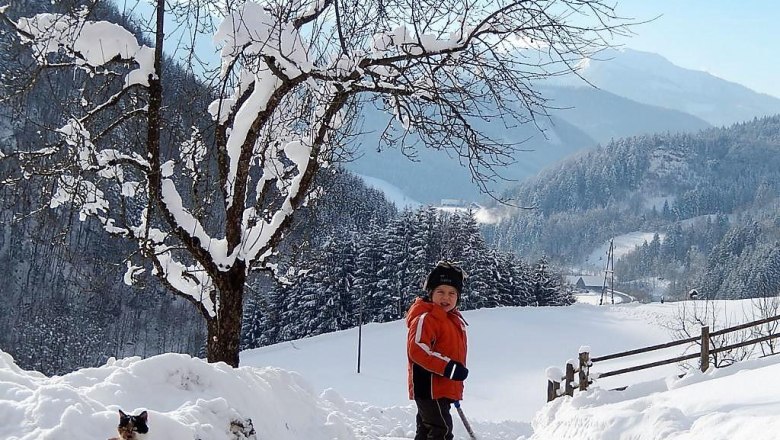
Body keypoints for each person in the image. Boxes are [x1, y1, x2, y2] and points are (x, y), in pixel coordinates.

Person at [406, 261, 469, 440]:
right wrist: (449, 367)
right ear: (431, 293)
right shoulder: (427, 319)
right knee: (441, 431)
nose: (446, 298)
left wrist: (453, 381)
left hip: (442, 387)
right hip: (429, 387)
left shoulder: (453, 320)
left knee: (427, 431)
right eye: (440, 292)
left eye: (452, 293)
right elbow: (417, 349)